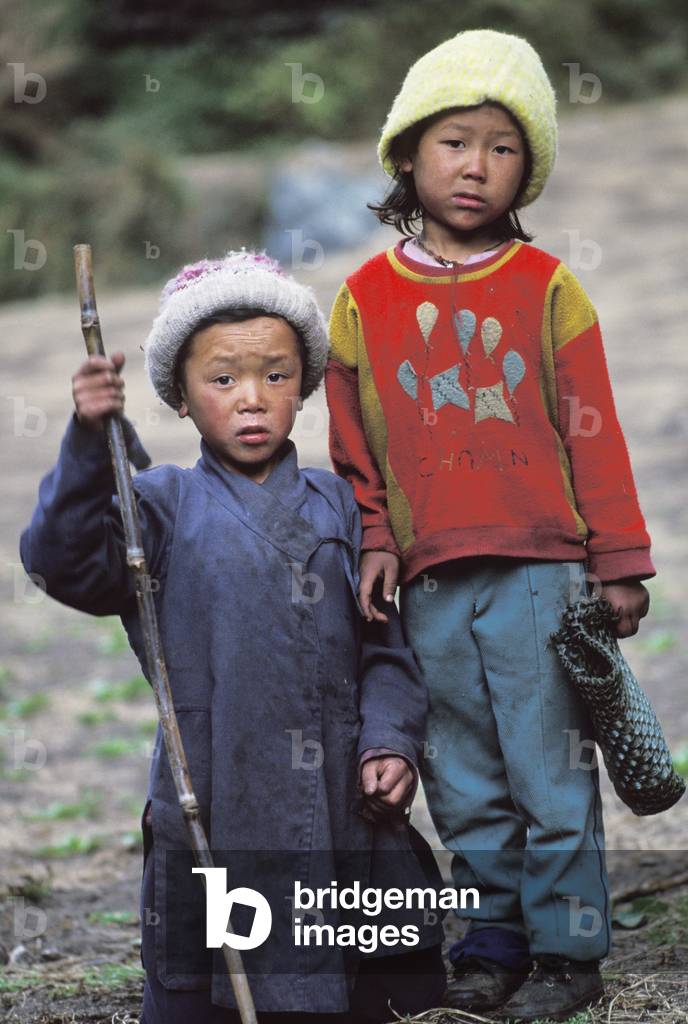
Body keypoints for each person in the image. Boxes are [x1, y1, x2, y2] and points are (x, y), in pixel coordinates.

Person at [19, 250, 447, 1023]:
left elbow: (388, 652)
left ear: (304, 384)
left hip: (338, 799)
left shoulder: (342, 509)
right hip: (214, 796)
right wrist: (88, 442)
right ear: (181, 397)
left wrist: (389, 742)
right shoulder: (162, 507)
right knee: (205, 986)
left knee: (367, 982)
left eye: (276, 375)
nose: (252, 398)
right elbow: (61, 562)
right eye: (222, 379)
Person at [324, 28, 654, 1023]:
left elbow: (594, 429)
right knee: (461, 775)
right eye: (454, 142)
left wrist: (619, 558)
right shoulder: (360, 302)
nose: (476, 166)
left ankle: (567, 952)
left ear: (527, 170)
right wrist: (375, 537)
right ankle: (490, 943)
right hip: (426, 583)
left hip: (541, 573)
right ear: (406, 155)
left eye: (503, 148)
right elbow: (353, 450)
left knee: (550, 770)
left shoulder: (549, 287)